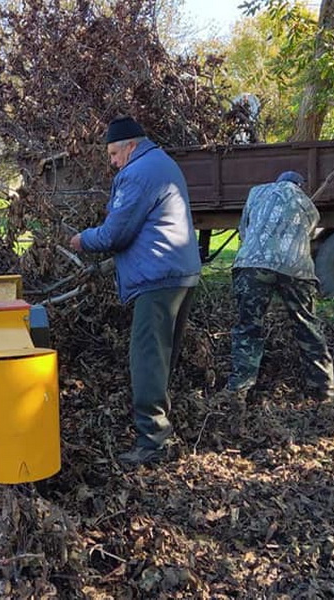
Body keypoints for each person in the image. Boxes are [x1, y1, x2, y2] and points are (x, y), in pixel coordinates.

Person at [69, 116, 201, 466]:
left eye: (113, 153)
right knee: (162, 357)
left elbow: (116, 233)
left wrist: (83, 239)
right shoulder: (163, 163)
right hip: (180, 272)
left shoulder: (138, 172)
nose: (111, 161)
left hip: (157, 277)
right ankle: (161, 428)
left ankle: (153, 442)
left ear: (130, 146)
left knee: (146, 359)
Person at [223, 170, 334, 403]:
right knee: (307, 325)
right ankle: (323, 388)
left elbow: (244, 231)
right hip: (295, 269)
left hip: (251, 265)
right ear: (300, 186)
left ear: (277, 182)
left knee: (248, 327)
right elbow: (305, 238)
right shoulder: (309, 207)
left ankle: (238, 390)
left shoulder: (256, 193)